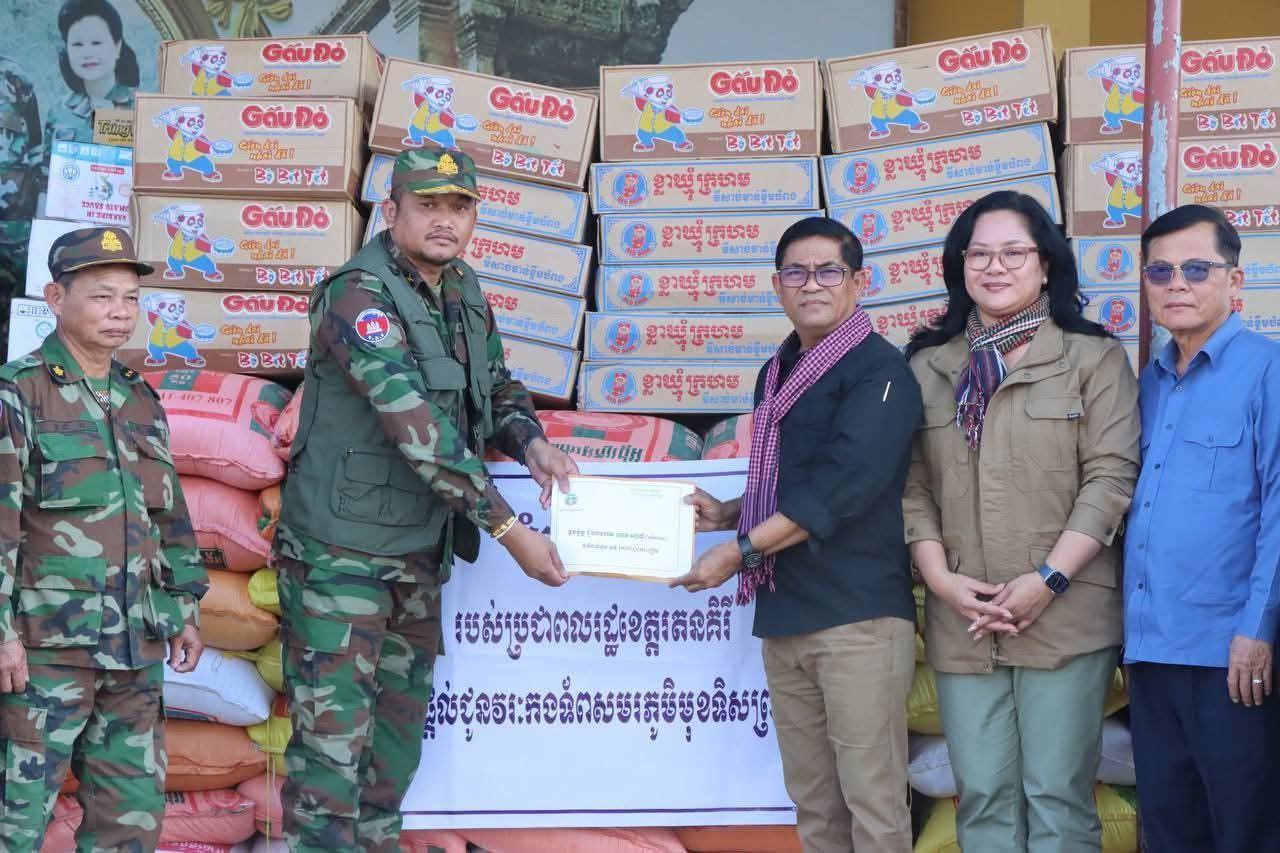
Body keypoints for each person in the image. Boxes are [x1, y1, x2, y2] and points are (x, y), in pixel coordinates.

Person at [275, 146, 579, 852]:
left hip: (417, 555)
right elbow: (418, 427)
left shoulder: (461, 288)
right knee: (331, 761)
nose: (446, 221)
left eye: (459, 207)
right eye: (429, 205)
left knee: (392, 755)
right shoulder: (357, 295)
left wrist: (531, 442)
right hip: (342, 559)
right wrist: (510, 531)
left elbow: (495, 386)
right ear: (392, 211)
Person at [671, 217, 923, 852]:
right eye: (796, 272)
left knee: (873, 801)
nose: (811, 284)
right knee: (813, 804)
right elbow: (790, 482)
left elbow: (842, 485)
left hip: (857, 618)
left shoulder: (880, 371)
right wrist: (727, 514)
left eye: (828, 271)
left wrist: (740, 551)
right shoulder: (779, 370)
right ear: (777, 285)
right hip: (785, 614)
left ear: (859, 282)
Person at [901, 191, 1140, 852]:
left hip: (1065, 612)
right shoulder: (929, 365)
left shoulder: (1092, 357)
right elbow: (912, 485)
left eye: (1013, 252)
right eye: (979, 253)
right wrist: (940, 580)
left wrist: (1048, 579)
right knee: (982, 796)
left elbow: (1111, 478)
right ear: (960, 266)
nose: (995, 266)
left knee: (1057, 796)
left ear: (1046, 264)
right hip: (965, 614)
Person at [0, 226, 207, 851]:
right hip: (46, 651)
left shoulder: (139, 398)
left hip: (134, 649)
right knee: (16, 819)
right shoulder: (18, 393)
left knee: (131, 820)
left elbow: (168, 517)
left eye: (131, 299)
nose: (120, 312)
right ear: (55, 298)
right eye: (101, 296)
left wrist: (183, 605)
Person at [1123, 204, 1280, 853]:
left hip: (1230, 655)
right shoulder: (1149, 383)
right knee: (1167, 823)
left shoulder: (1268, 370)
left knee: (1243, 826)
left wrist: (1258, 630)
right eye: (1160, 271)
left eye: (1196, 269)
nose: (1177, 284)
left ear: (1234, 281)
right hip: (1150, 648)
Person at [43, 0, 139, 148]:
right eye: (77, 44)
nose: (87, 53)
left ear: (117, 47)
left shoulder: (142, 108)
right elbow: (47, 162)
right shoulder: (59, 110)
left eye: (96, 43)